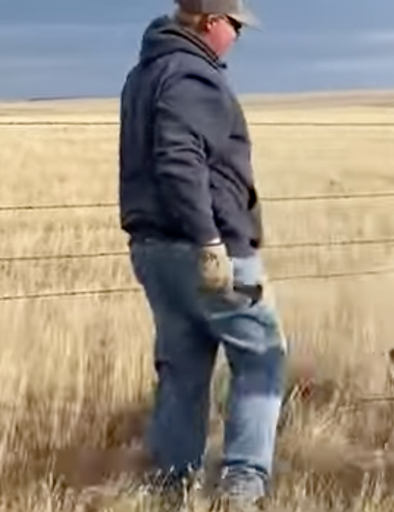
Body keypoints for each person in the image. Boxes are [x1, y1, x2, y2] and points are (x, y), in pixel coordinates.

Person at [118, 0, 287, 509]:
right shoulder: (193, 75)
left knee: (183, 364)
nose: (237, 36)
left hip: (154, 250)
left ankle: (169, 485)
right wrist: (210, 242)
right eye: (235, 25)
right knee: (261, 355)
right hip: (208, 251)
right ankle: (243, 484)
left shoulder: (143, 74)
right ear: (211, 23)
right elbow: (179, 160)